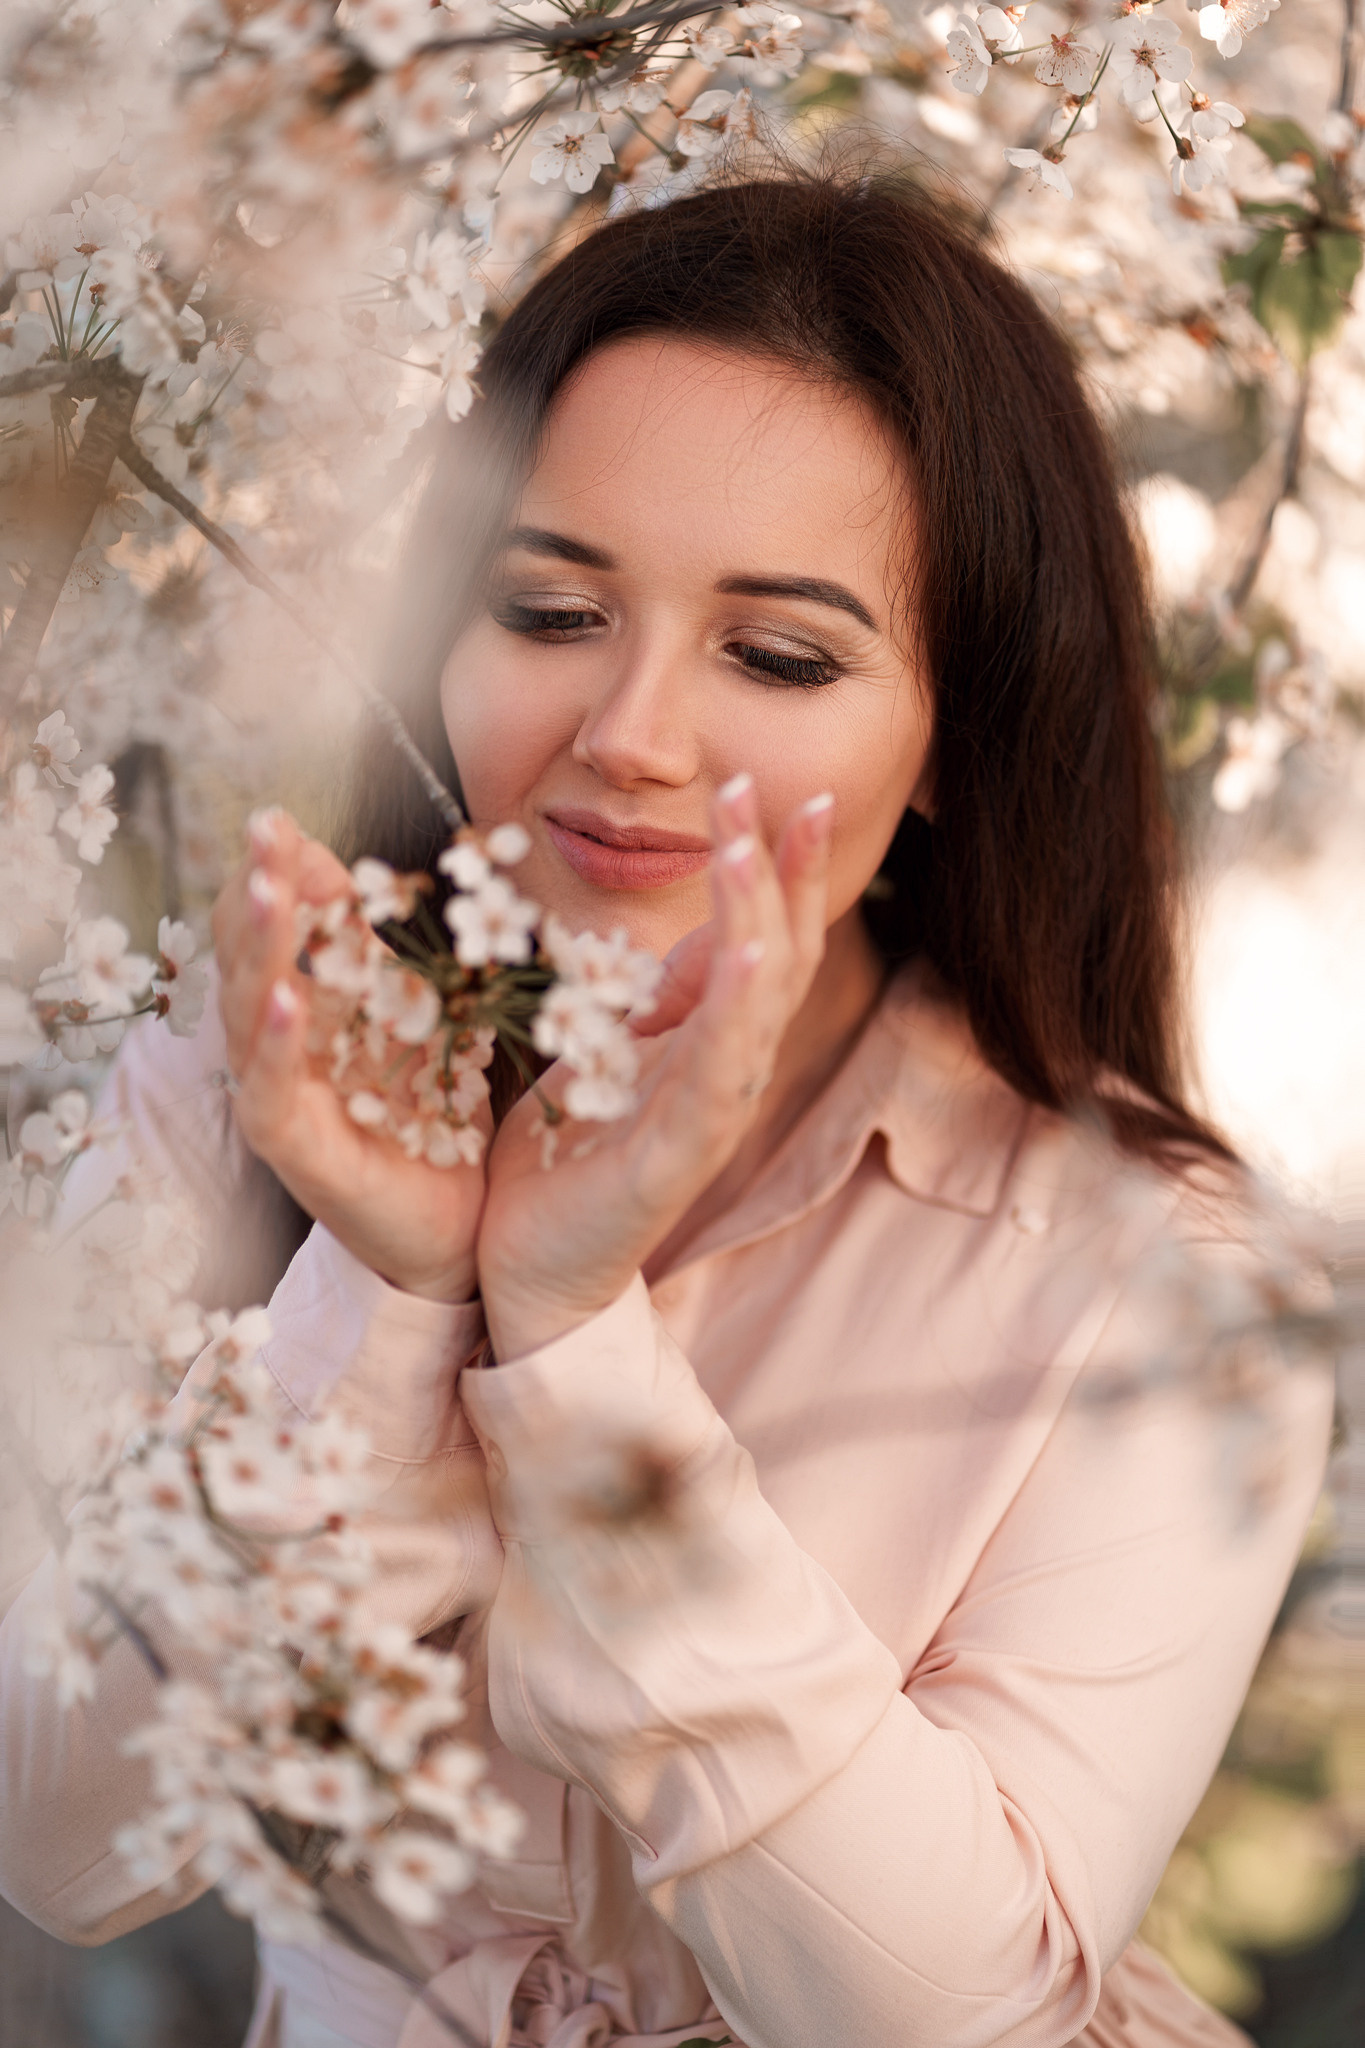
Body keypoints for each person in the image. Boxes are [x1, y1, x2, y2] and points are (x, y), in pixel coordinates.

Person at [0, 170, 1334, 2048]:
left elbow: (950, 2013)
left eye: (777, 655)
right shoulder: (245, 1091)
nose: (630, 732)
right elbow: (60, 1841)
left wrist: (570, 1339)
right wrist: (379, 1297)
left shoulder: (1167, 1284)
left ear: (960, 726)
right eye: (546, 609)